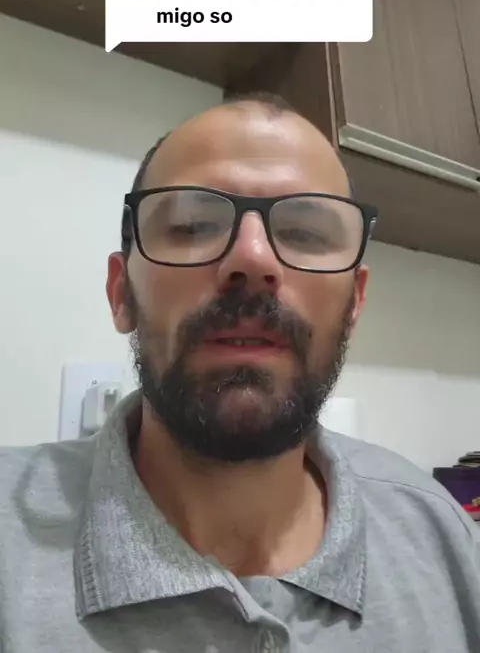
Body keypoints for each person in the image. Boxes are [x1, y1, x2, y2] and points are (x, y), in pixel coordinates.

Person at [1, 92, 479, 653]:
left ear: (355, 303)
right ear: (120, 292)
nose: (252, 259)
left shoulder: (441, 535)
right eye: (192, 225)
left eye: (305, 233)